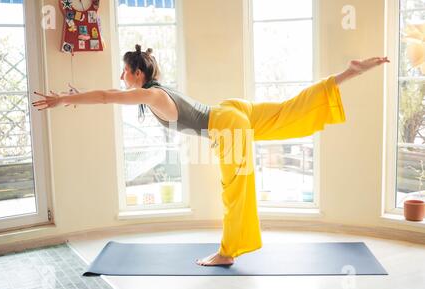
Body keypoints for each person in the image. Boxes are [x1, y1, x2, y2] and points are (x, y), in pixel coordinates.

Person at [32, 44, 389, 267]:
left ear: (138, 73)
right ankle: (346, 74)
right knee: (287, 110)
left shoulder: (151, 95)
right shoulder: (156, 91)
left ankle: (228, 251)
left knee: (235, 191)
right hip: (231, 112)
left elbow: (109, 97)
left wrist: (65, 100)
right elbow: (111, 94)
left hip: (226, 123)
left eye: (125, 72)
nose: (123, 79)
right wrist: (73, 97)